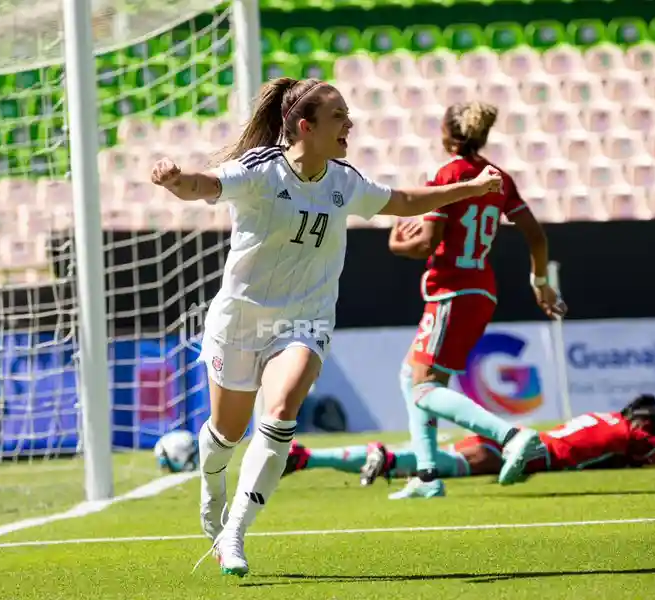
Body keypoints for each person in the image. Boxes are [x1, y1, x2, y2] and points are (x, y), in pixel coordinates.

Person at [150, 77, 504, 577]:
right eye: (339, 116)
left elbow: (401, 201)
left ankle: (235, 532)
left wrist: (467, 189)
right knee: (227, 434)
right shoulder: (261, 171)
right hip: (241, 318)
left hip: (305, 320)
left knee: (279, 412)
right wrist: (172, 178)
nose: (350, 125)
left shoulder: (344, 180)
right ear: (304, 126)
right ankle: (212, 488)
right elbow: (202, 186)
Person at [384, 102, 567, 500]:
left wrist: (397, 243)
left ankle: (512, 435)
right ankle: (428, 474)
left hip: (452, 290)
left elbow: (425, 244)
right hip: (480, 290)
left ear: (447, 134)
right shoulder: (497, 177)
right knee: (411, 375)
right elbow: (535, 235)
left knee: (425, 387)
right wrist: (540, 281)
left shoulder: (445, 175)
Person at [282, 394, 655, 482]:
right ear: (647, 426)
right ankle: (309, 458)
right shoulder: (631, 435)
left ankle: (309, 458)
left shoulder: (608, 418)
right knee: (422, 463)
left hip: (519, 444)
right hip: (523, 453)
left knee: (419, 457)